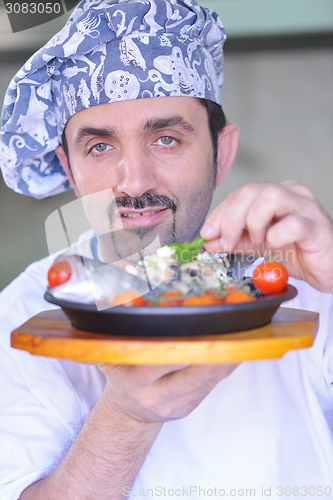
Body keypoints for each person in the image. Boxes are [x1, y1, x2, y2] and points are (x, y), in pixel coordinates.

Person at [0, 1, 333, 499]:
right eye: (99, 147)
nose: (135, 182)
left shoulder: (302, 284)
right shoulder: (21, 317)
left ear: (221, 154)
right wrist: (127, 416)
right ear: (69, 172)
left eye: (167, 139)